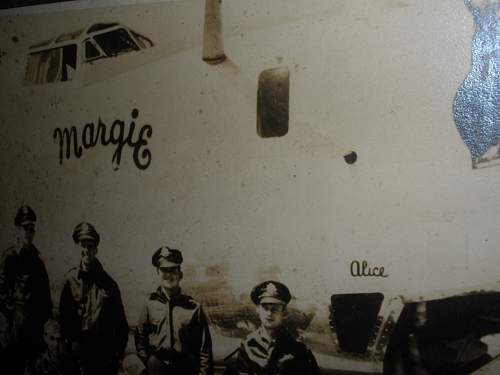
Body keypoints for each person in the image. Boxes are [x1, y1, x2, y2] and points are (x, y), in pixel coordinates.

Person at [59, 222, 129, 375]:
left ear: (96, 249)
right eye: (83, 245)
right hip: (76, 359)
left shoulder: (109, 285)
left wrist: (116, 357)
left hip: (102, 359)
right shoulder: (70, 281)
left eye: (90, 246)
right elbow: (63, 323)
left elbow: (121, 325)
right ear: (78, 247)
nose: (86, 251)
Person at [135, 246, 214, 375]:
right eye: (164, 270)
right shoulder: (149, 305)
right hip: (157, 368)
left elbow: (204, 350)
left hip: (185, 368)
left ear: (180, 274)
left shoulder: (194, 308)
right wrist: (148, 362)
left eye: (173, 270)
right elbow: (140, 339)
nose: (169, 275)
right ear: (157, 273)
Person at [224, 281, 321, 375]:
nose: (269, 314)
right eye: (265, 308)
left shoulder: (299, 350)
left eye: (275, 309)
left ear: (284, 311)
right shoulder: (248, 345)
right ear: (258, 309)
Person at [0, 206, 52, 374]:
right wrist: (16, 316)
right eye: (25, 228)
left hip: (35, 333)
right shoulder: (10, 257)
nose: (29, 233)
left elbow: (46, 300)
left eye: (32, 229)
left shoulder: (38, 262)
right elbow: (1, 293)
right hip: (15, 333)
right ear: (17, 229)